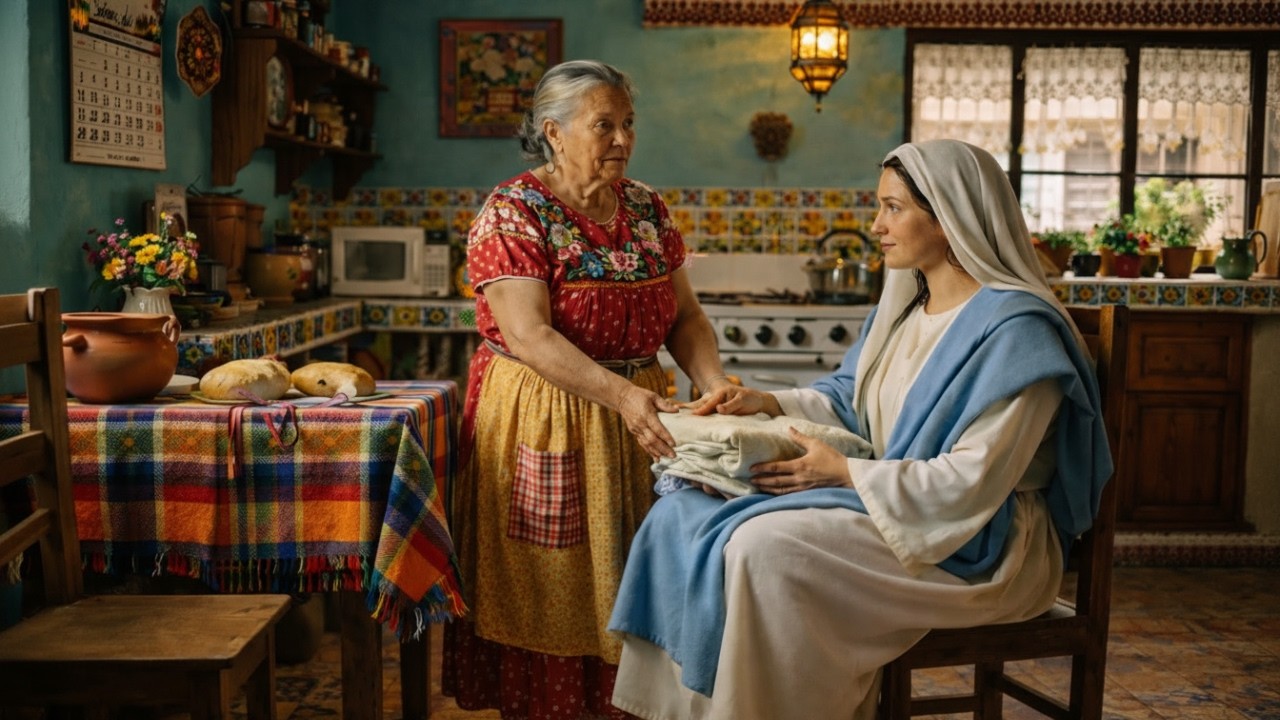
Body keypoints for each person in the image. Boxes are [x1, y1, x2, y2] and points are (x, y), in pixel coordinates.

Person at [606, 139, 1114, 720]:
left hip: (984, 543)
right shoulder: (903, 314)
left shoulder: (1017, 335)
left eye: (893, 208)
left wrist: (844, 472)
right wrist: (763, 401)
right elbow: (851, 403)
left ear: (950, 218)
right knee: (682, 513)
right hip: (900, 510)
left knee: (764, 549)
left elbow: (974, 481)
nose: (876, 225)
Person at [442, 59, 734, 719]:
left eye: (628, 124)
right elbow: (529, 336)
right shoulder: (514, 209)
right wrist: (623, 395)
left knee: (643, 572)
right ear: (555, 131)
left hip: (646, 418)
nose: (623, 140)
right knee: (556, 587)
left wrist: (714, 382)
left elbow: (685, 317)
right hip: (551, 419)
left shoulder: (645, 205)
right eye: (605, 125)